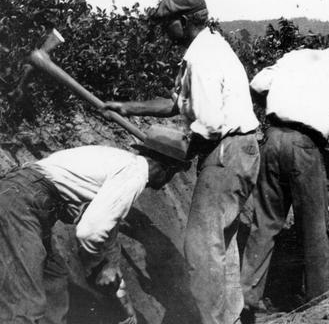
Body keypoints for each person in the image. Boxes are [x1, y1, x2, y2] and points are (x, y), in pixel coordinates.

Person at [102, 0, 260, 324]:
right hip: (239, 151)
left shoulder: (203, 59)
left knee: (201, 250)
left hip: (225, 153)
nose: (163, 32)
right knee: (222, 243)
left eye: (165, 25)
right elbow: (175, 104)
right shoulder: (207, 49)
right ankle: (230, 318)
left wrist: (177, 150)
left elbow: (211, 123)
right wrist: (126, 107)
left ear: (184, 21)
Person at [240, 18, 329, 319]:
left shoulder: (297, 56)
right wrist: (327, 181)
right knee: (314, 227)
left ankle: (248, 299)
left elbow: (256, 84)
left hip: (273, 138)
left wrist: (281, 110)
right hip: (307, 148)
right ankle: (319, 303)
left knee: (265, 222)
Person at [0, 128, 189, 324]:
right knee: (24, 304)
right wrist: (96, 264)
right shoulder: (135, 174)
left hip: (29, 200)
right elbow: (90, 231)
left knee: (54, 282)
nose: (167, 182)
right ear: (168, 169)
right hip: (21, 203)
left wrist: (111, 263)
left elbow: (108, 226)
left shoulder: (122, 163)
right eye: (172, 174)